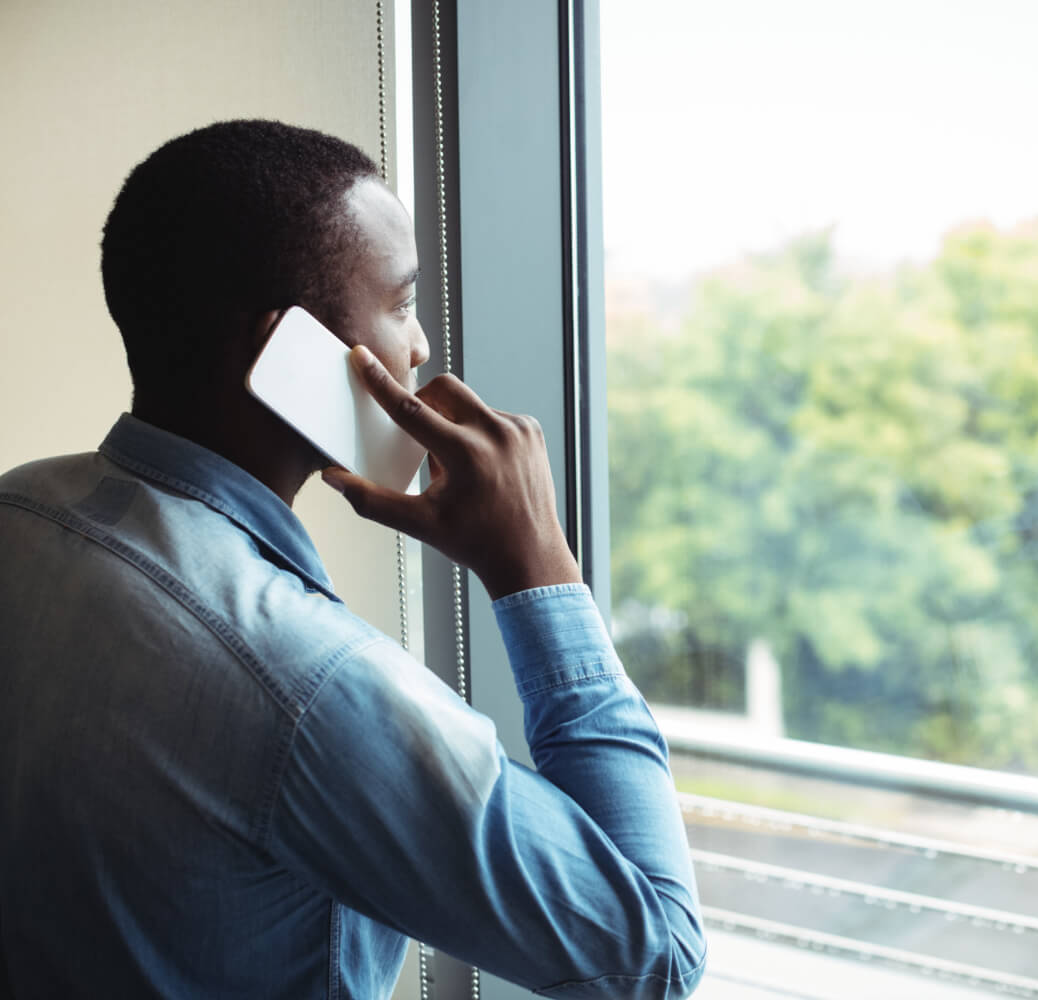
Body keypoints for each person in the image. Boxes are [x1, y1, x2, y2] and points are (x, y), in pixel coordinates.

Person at [0, 120, 705, 999]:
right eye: (403, 303)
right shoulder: (308, 686)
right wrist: (541, 574)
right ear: (282, 352)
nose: (420, 351)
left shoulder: (18, 507)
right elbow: (655, 956)